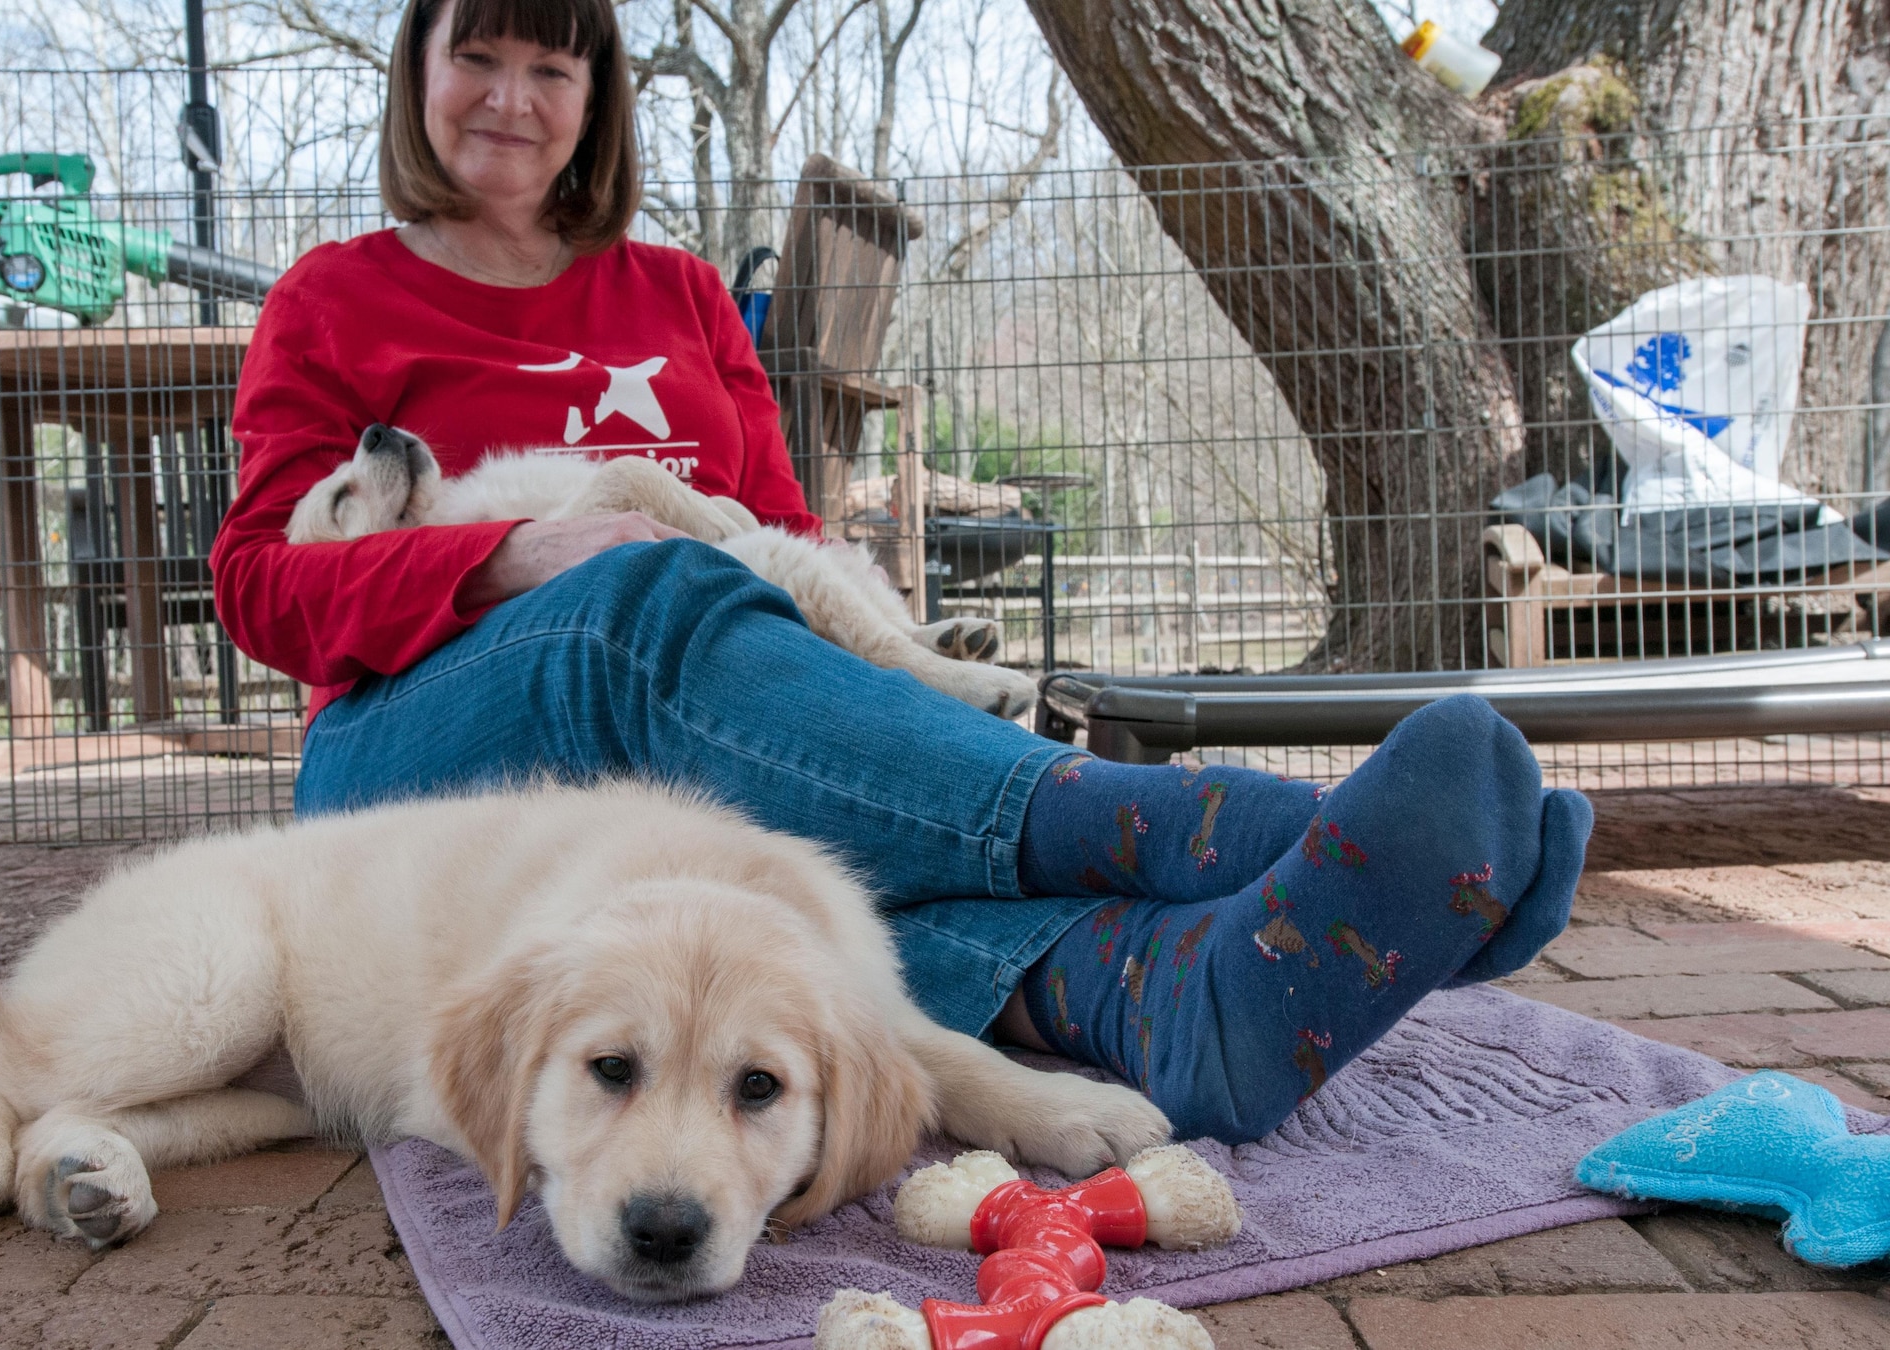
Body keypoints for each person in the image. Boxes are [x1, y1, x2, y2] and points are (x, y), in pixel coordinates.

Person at [212, 0, 1593, 1146]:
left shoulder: (682, 297)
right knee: (639, 607)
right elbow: (262, 584)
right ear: (419, 71)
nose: (510, 96)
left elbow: (779, 558)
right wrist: (523, 554)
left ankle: (1156, 994)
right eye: (479, 56)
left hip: (679, 710)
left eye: (550, 67)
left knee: (783, 833)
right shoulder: (333, 301)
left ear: (594, 99)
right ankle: (1192, 825)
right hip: (414, 770)